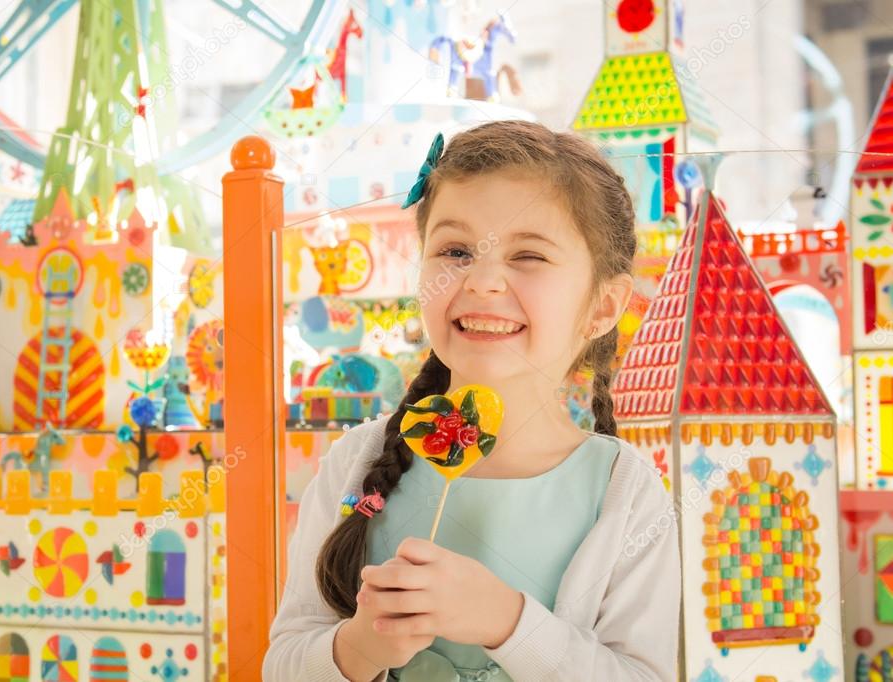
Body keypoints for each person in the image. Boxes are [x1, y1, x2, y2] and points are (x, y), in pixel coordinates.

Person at [264, 120, 680, 681]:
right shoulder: (357, 462)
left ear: (603, 307)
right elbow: (282, 665)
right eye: (455, 250)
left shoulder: (624, 494)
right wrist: (360, 647)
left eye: (528, 255)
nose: (482, 281)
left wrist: (506, 622)